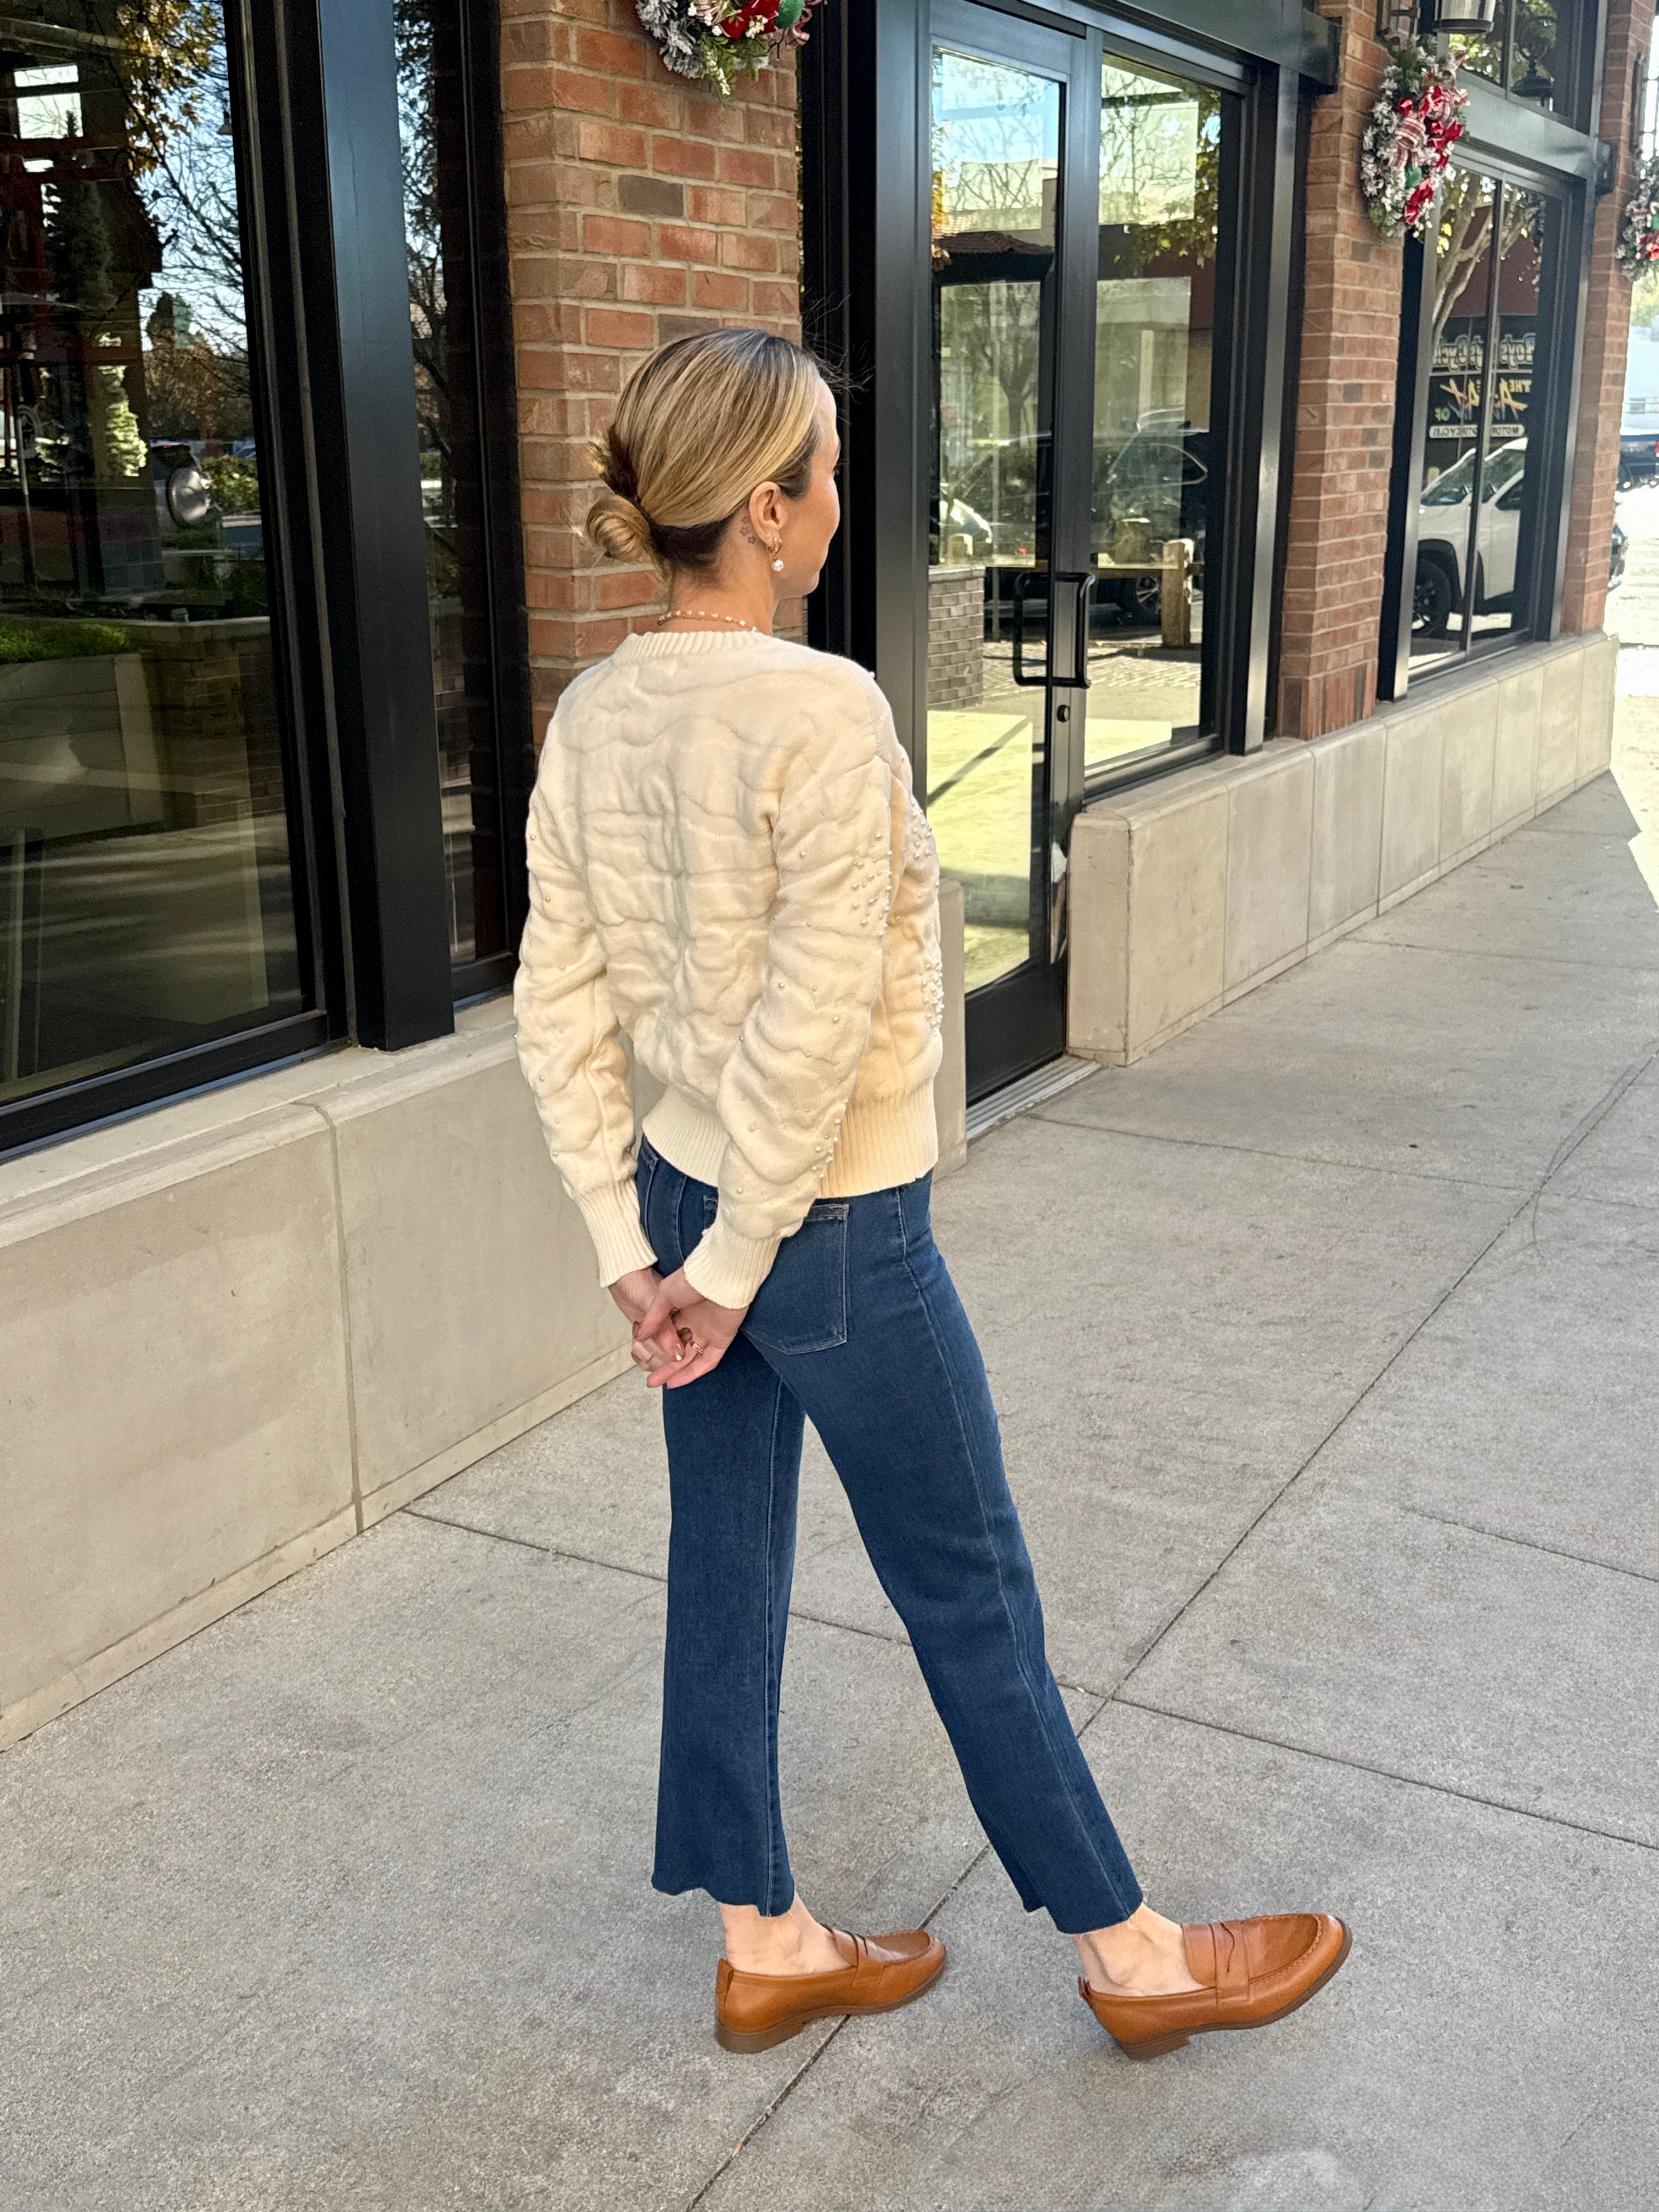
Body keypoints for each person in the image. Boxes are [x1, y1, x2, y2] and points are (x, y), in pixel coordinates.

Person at [514, 328, 1350, 2061]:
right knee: (969, 1584)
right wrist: (737, 1262)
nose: (837, 501)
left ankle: (766, 1938)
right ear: (765, 506)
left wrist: (634, 1249)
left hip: (688, 1208)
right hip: (820, 1232)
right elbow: (815, 1033)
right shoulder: (819, 711)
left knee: (725, 1563)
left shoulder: (595, 713)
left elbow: (561, 999)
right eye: (823, 469)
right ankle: (1133, 1960)